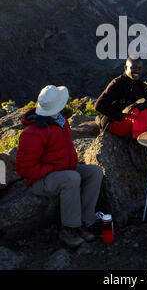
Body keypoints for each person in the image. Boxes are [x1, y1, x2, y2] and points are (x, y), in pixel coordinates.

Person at [16, 85, 104, 248]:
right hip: (40, 180)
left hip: (63, 170)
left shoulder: (60, 120)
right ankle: (69, 229)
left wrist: (62, 167)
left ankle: (85, 220)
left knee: (95, 172)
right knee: (72, 178)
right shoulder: (32, 133)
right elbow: (24, 169)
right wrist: (53, 169)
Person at [94, 57, 147, 139]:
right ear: (126, 68)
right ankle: (139, 139)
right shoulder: (117, 84)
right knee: (142, 108)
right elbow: (98, 105)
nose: (137, 71)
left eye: (139, 68)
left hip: (127, 120)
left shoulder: (139, 85)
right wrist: (121, 115)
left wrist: (135, 106)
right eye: (133, 68)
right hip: (113, 124)